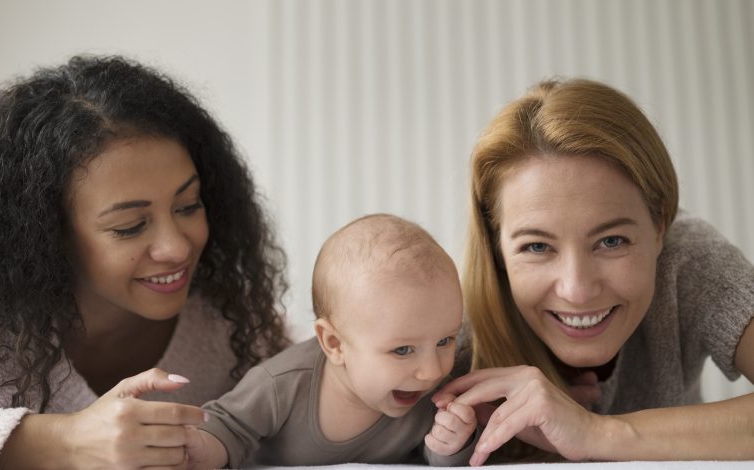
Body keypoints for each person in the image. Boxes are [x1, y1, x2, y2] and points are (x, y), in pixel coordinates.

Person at [0, 55, 289, 469]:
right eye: (129, 226)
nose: (176, 248)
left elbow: (320, 390)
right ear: (44, 236)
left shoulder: (232, 325)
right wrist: (65, 442)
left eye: (189, 205)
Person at [433, 78, 754, 465]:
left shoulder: (690, 260)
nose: (578, 290)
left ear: (659, 226)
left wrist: (597, 432)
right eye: (537, 246)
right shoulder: (449, 318)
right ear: (496, 246)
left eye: (612, 241)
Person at [184, 214, 478, 468]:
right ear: (335, 344)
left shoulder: (434, 394)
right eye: (403, 350)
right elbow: (226, 425)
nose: (431, 370)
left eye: (445, 341)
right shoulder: (281, 385)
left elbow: (433, 459)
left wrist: (448, 445)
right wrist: (201, 449)